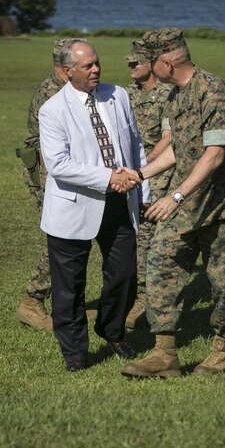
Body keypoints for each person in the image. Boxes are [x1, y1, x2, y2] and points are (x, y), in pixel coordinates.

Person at [120, 28, 225, 378]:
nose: (147, 67)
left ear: (166, 62)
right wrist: (140, 173)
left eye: (151, 62)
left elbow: (214, 154)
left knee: (223, 282)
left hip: (223, 208)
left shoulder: (214, 92)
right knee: (161, 261)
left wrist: (174, 195)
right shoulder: (177, 95)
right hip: (188, 204)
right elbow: (181, 148)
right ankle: (165, 355)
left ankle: (221, 350)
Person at [38, 40, 150, 371]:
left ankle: (111, 330)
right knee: (69, 287)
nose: (96, 69)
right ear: (65, 71)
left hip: (119, 203)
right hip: (72, 208)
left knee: (125, 275)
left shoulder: (119, 95)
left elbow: (134, 144)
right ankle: (75, 353)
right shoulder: (52, 110)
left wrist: (144, 192)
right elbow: (58, 164)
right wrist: (106, 178)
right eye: (87, 66)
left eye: (97, 63)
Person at [15, 38, 94, 330]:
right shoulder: (54, 92)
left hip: (60, 171)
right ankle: (31, 301)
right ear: (64, 66)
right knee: (62, 239)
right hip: (48, 173)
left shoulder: (68, 88)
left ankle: (71, 305)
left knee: (75, 237)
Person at [123, 40, 173, 328]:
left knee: (148, 234)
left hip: (157, 173)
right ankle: (134, 293)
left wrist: (142, 169)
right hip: (131, 174)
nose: (131, 67)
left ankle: (144, 297)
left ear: (151, 65)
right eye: (129, 63)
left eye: (136, 63)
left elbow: (168, 139)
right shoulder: (125, 94)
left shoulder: (167, 94)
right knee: (132, 233)